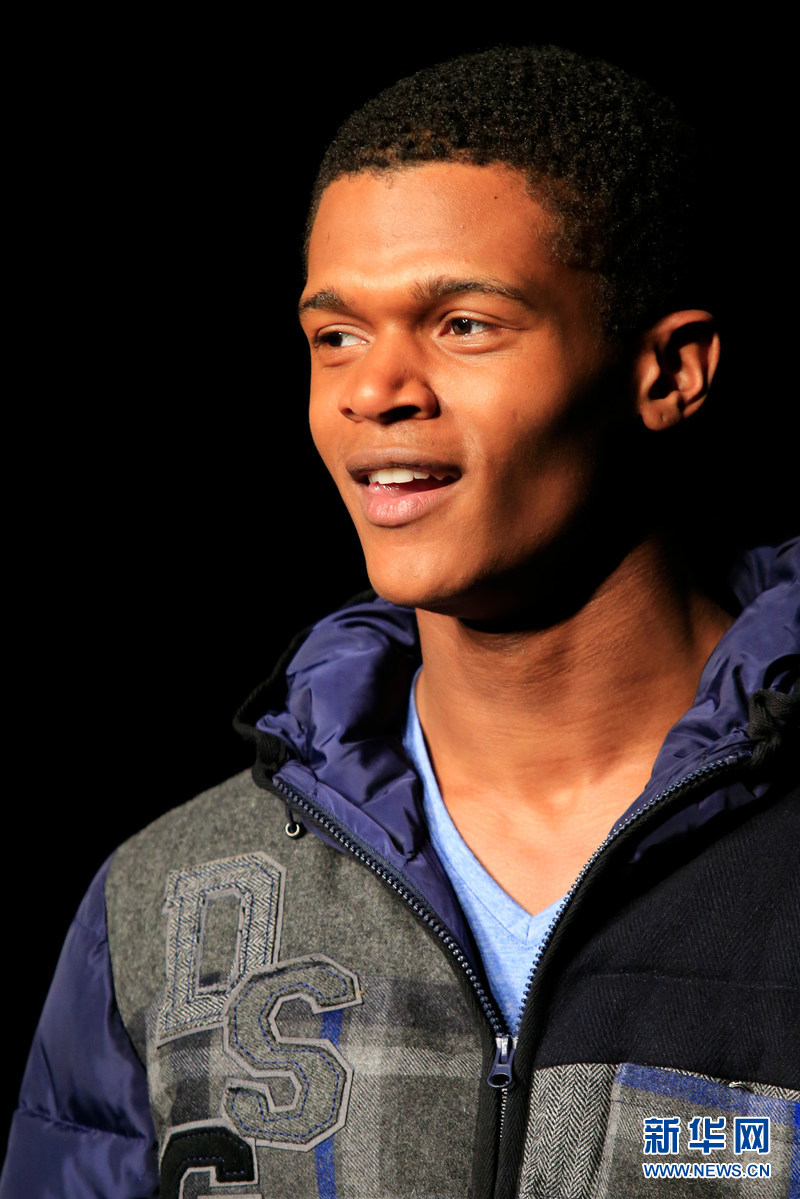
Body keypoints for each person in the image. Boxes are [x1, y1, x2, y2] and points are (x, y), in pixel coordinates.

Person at [4, 44, 798, 1199]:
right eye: (336, 335)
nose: (373, 390)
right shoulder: (165, 899)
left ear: (667, 371)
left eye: (463, 324)